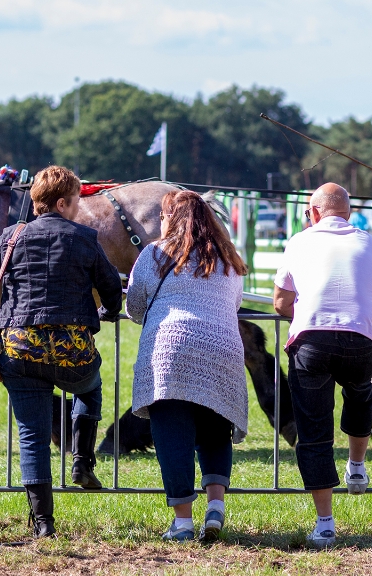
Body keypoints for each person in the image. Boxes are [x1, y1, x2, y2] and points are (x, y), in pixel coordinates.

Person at [0, 165, 122, 538]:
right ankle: (81, 461)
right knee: (90, 390)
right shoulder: (84, 237)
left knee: (32, 434)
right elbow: (111, 287)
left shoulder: (13, 236)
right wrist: (108, 312)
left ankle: (43, 525)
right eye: (77, 201)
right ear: (62, 202)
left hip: (20, 348)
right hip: (71, 349)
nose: (79, 208)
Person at [273, 183, 372, 548]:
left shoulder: (299, 241)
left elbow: (280, 302)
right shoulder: (370, 242)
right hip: (360, 339)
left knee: (313, 430)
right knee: (360, 392)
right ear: (348, 211)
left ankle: (325, 523)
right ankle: (357, 466)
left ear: (313, 213)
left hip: (311, 341)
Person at [125, 190, 249, 542]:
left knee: (173, 436)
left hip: (171, 351)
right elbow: (235, 303)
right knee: (213, 431)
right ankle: (215, 507)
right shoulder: (229, 260)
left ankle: (182, 523)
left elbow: (135, 306)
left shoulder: (155, 254)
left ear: (171, 220)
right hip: (222, 351)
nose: (160, 222)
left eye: (163, 216)